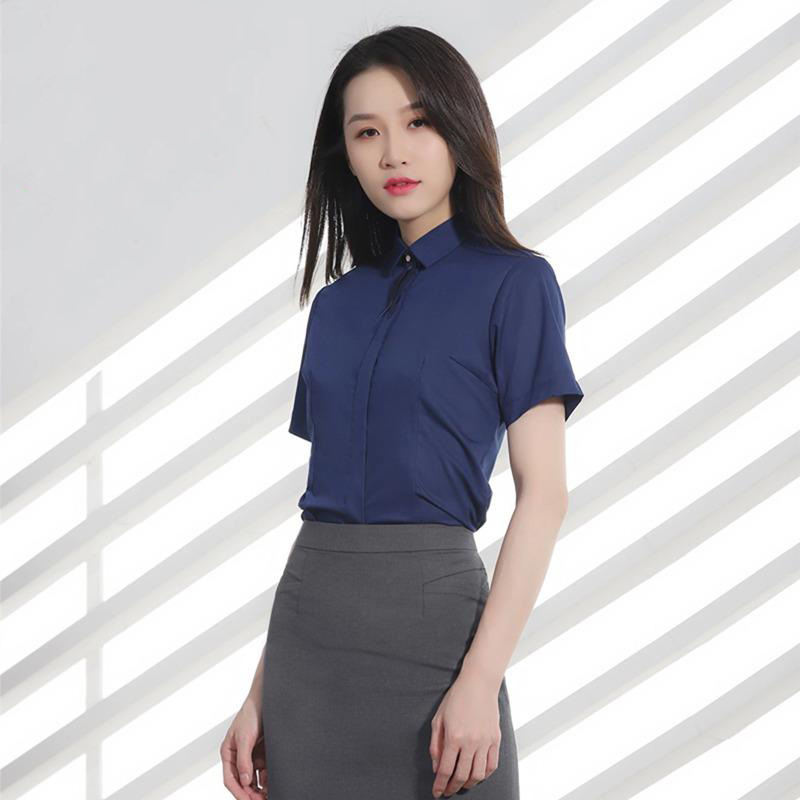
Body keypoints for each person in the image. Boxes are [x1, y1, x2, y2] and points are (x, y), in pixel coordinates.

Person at [221, 24, 584, 800]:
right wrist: (259, 694)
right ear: (345, 155)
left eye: (417, 122)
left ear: (459, 128)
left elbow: (545, 496)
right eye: (367, 132)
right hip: (309, 647)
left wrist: (480, 681)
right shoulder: (336, 307)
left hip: (437, 639)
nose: (393, 154)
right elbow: (324, 512)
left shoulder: (516, 284)